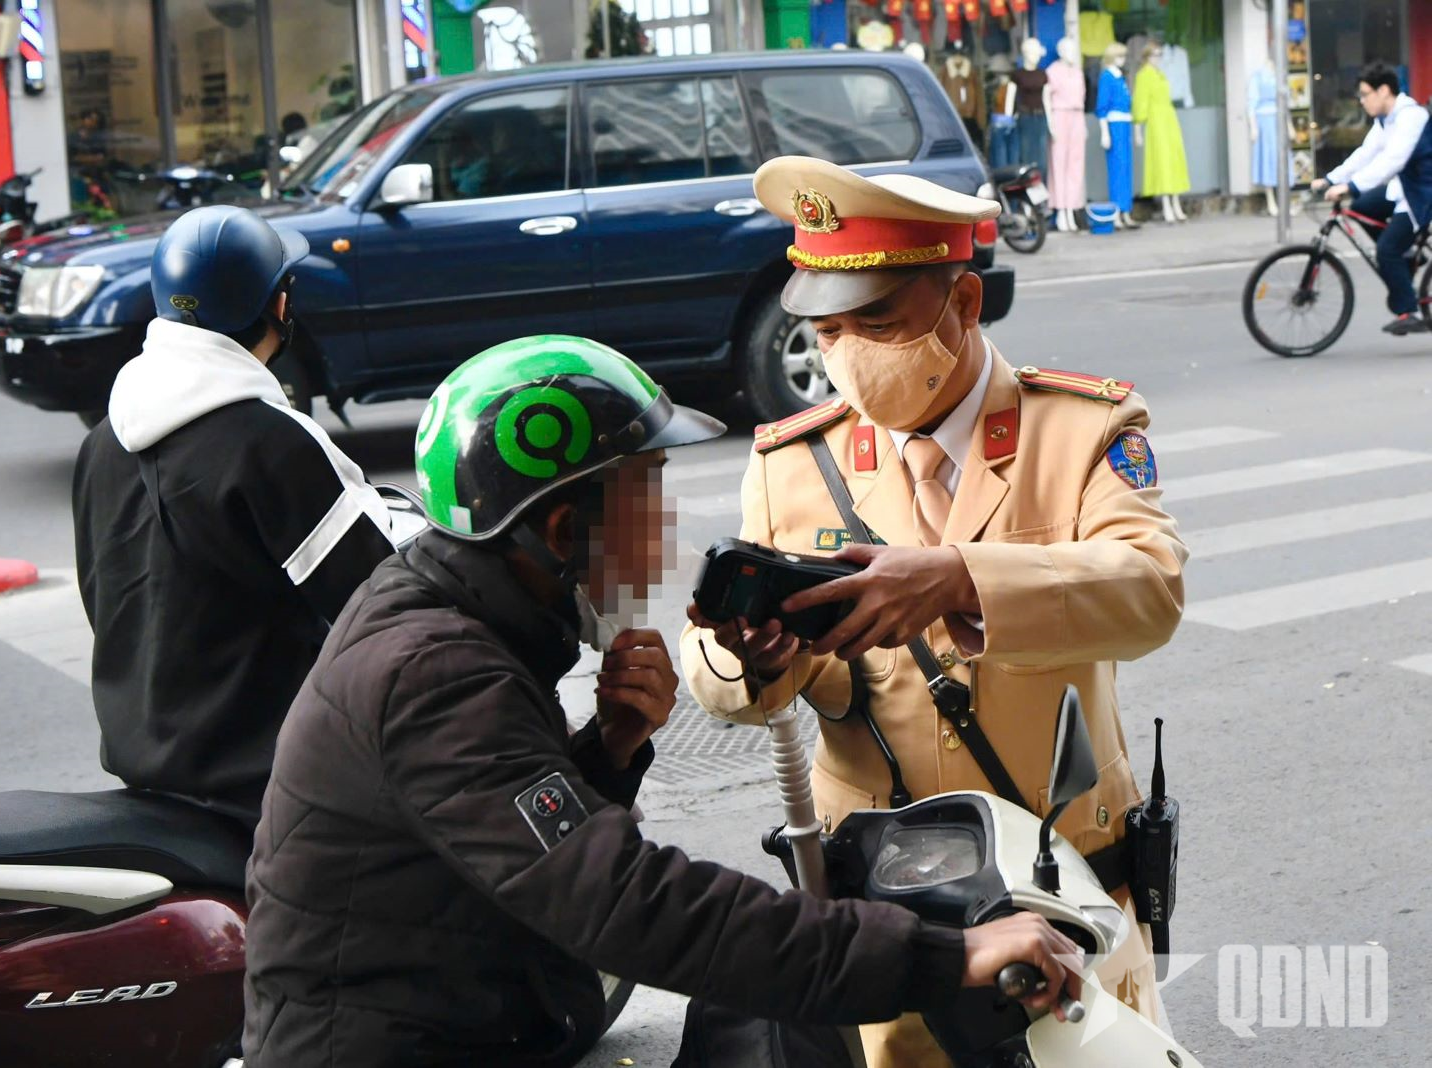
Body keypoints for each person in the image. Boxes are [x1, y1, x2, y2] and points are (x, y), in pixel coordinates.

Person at [242, 335, 1084, 1067]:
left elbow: (499, 842)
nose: (664, 526)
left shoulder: (450, 616)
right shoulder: (434, 674)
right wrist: (944, 956)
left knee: (754, 1012)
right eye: (646, 496)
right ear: (566, 532)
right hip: (397, 1049)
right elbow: (628, 902)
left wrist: (604, 753)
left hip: (463, 1019)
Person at [681, 156, 1188, 1068]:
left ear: (961, 304)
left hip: (1064, 892)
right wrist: (754, 659)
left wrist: (959, 578)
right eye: (826, 328)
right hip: (892, 916)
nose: (845, 354)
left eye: (876, 321)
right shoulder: (792, 462)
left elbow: (1148, 592)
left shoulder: (1080, 429)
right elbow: (731, 682)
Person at [72, 205, 413, 827]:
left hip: (146, 758)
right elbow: (382, 599)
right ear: (280, 305)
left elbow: (104, 596)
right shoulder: (270, 442)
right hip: (270, 775)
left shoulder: (103, 442)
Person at [1312, 61, 1432, 335]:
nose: (1362, 101)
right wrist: (1333, 179)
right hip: (1404, 188)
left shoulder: (1410, 117)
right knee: (1362, 207)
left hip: (1423, 193)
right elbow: (1366, 154)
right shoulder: (1385, 120)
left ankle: (1409, 311)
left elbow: (1392, 161)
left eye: (1366, 94)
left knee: (1387, 250)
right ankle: (1409, 252)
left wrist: (1352, 186)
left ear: (1384, 91)